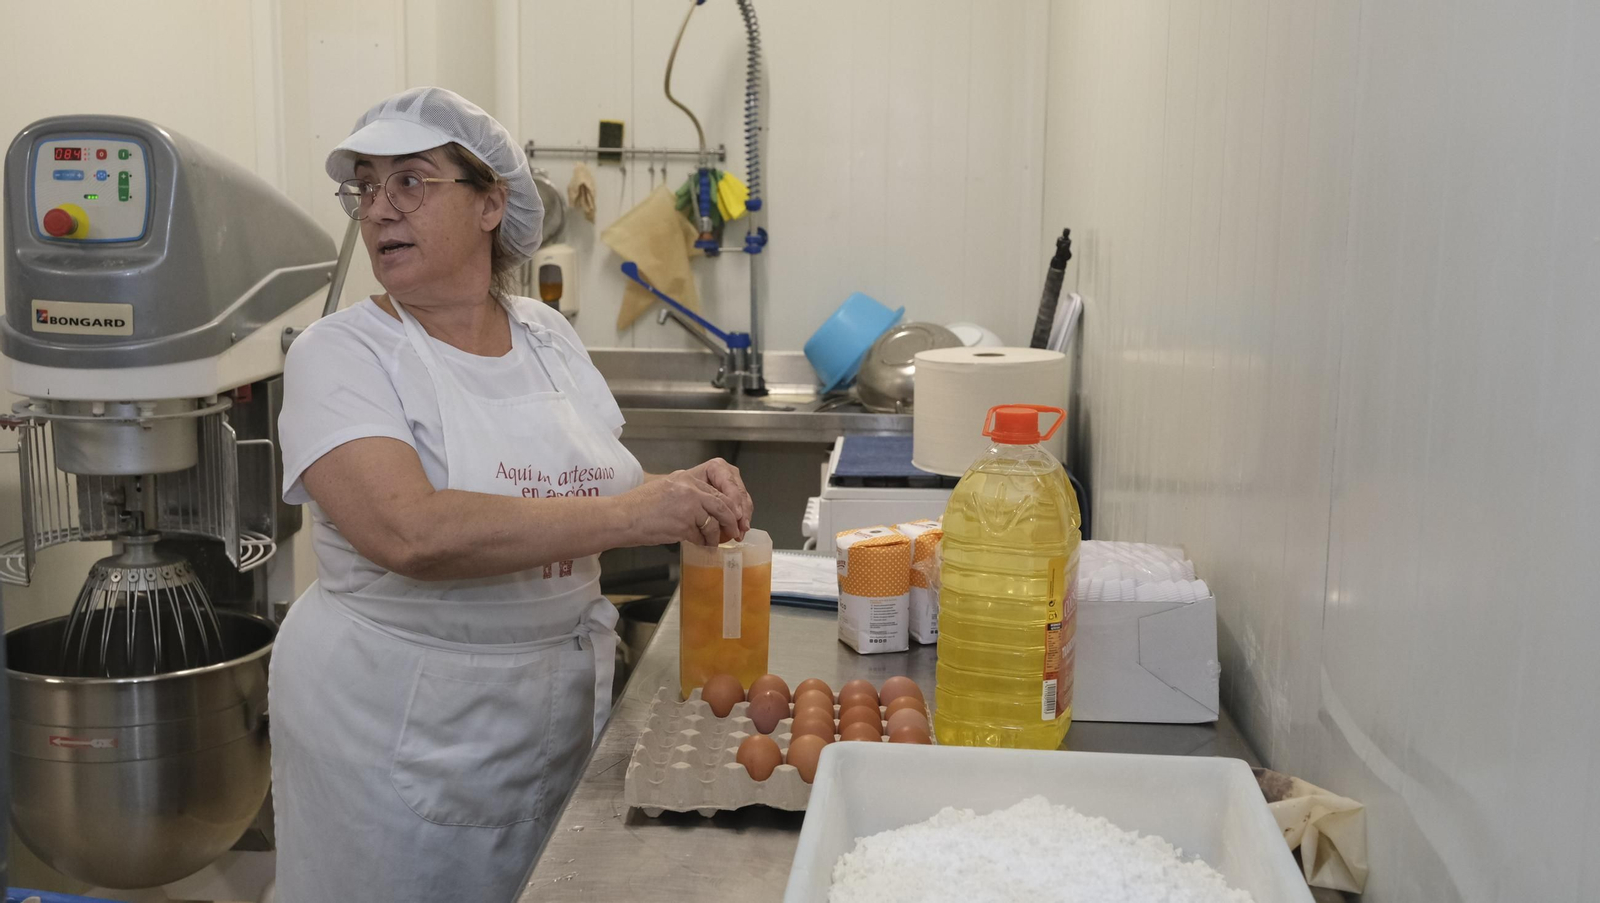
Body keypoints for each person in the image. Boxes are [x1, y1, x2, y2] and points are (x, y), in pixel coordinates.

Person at [269, 87, 754, 902]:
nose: (379, 209)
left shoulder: (546, 336)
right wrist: (638, 512)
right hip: (395, 726)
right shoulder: (341, 354)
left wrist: (682, 487)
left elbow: (596, 482)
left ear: (491, 202)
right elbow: (410, 532)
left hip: (552, 712)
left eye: (411, 181)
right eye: (366, 186)